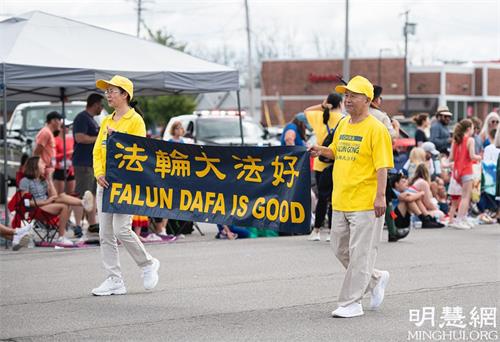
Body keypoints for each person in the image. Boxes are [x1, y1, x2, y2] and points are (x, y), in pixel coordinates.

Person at [309, 75, 393, 318]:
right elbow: (336, 151)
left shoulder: (377, 130)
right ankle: (376, 278)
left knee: (360, 253)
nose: (347, 100)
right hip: (341, 200)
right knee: (339, 248)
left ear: (367, 100)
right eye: (345, 95)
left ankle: (351, 303)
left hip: (365, 202)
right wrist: (321, 150)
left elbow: (382, 167)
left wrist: (380, 197)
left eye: (353, 96)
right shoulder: (344, 124)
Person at [92, 75, 159, 296]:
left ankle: (147, 264)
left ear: (125, 95)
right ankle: (114, 279)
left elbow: (138, 151)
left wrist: (117, 137)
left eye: (113, 91)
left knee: (122, 229)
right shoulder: (105, 121)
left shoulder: (135, 120)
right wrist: (99, 173)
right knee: (105, 233)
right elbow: (97, 151)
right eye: (107, 91)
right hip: (105, 184)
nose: (108, 95)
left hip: (125, 185)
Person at [18, 156, 94, 245]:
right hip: (35, 209)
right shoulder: (25, 181)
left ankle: (83, 203)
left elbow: (54, 196)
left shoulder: (42, 180)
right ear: (35, 166)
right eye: (42, 163)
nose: (44, 165)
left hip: (46, 205)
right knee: (64, 206)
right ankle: (61, 237)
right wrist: (46, 202)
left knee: (62, 195)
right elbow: (26, 202)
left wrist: (49, 179)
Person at [303, 93, 343, 242]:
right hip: (335, 163)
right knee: (335, 199)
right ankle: (333, 232)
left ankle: (317, 230)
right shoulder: (342, 119)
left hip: (320, 163)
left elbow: (306, 111)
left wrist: (322, 106)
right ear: (340, 103)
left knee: (322, 198)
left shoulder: (320, 117)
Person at [73, 93, 104, 235]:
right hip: (83, 163)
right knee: (82, 194)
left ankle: (92, 224)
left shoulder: (91, 119)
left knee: (92, 194)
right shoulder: (82, 118)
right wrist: (98, 138)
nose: (102, 108)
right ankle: (78, 225)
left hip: (92, 163)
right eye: (101, 105)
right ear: (95, 104)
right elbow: (79, 138)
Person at [449, 119, 482, 229]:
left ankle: (462, 218)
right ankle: (460, 219)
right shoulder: (470, 140)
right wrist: (480, 157)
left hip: (457, 171)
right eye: (473, 128)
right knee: (465, 197)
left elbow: (451, 157)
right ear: (469, 129)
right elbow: (472, 156)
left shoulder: (456, 140)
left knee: (463, 196)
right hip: (467, 170)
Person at [33, 111, 62, 178]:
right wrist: (40, 168)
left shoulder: (49, 133)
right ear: (53, 121)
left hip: (49, 168)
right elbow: (37, 152)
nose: (60, 123)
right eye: (59, 120)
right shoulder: (45, 132)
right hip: (44, 169)